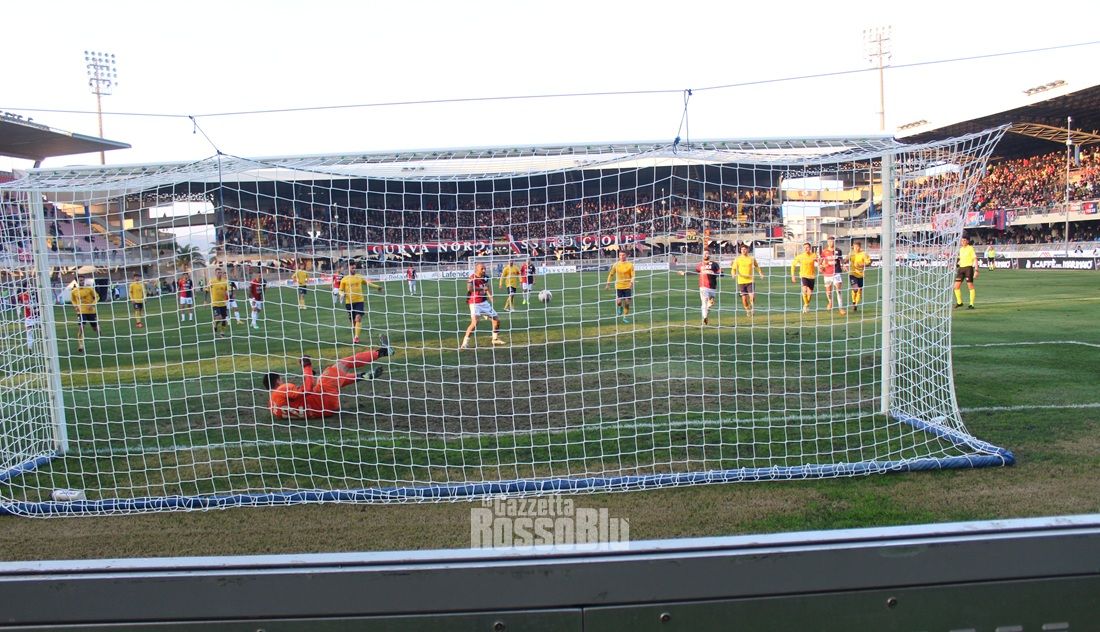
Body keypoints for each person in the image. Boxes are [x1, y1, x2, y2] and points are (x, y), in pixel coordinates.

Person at [264, 334, 393, 419]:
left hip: (325, 410)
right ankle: (383, 351)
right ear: (277, 381)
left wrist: (309, 376)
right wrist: (306, 365)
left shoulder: (272, 406)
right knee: (343, 364)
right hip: (324, 398)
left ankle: (363, 375)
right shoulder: (281, 389)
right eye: (281, 379)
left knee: (325, 379)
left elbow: (302, 395)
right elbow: (308, 389)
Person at [461, 262, 506, 349]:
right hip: (474, 303)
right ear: (477, 269)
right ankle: (465, 343)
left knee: (496, 319)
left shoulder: (485, 277)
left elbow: (487, 286)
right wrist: (482, 288)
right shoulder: (472, 278)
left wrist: (490, 296)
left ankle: (495, 339)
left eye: (485, 268)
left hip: (484, 302)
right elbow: (469, 288)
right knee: (475, 323)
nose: (484, 270)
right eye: (482, 269)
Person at [339, 262, 384, 344]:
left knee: (358, 318)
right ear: (348, 268)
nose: (354, 269)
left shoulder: (359, 277)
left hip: (359, 301)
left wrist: (377, 287)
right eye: (352, 268)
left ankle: (356, 337)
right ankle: (356, 332)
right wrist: (341, 294)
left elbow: (368, 283)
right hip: (349, 303)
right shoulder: (344, 279)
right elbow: (340, 290)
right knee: (353, 322)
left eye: (354, 268)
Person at [732, 244, 763, 317]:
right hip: (741, 281)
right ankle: (747, 310)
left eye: (745, 249)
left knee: (752, 296)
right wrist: (733, 274)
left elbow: (756, 266)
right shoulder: (737, 259)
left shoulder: (751, 258)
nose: (743, 251)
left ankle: (753, 308)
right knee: (744, 299)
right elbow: (733, 268)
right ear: (740, 250)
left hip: (750, 280)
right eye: (742, 249)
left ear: (747, 250)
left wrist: (760, 273)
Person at [605, 250, 636, 324]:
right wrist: (608, 284)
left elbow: (633, 275)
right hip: (619, 286)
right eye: (620, 255)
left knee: (627, 302)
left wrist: (631, 282)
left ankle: (625, 317)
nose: (621, 257)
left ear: (626, 256)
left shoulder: (630, 265)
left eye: (623, 255)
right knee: (619, 302)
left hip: (627, 286)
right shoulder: (616, 265)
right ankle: (619, 307)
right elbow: (611, 274)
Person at [70, 275, 99, 354]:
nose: (82, 282)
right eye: (80, 280)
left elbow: (97, 297)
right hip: (81, 312)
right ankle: (80, 345)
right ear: (77, 281)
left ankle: (98, 333)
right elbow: (73, 300)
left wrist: (92, 304)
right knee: (81, 328)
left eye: (83, 280)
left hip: (91, 312)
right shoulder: (74, 291)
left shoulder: (89, 289)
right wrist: (75, 306)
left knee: (95, 328)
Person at [694, 251, 721, 325]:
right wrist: (684, 273)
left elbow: (720, 272)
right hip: (703, 286)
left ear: (709, 255)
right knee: (704, 301)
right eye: (704, 254)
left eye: (707, 253)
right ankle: (705, 317)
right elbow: (694, 272)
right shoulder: (699, 265)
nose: (705, 255)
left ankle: (706, 311)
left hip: (712, 287)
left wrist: (714, 273)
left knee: (711, 303)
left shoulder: (714, 264)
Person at [790, 242, 818, 314]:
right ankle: (806, 305)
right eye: (804, 247)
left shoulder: (814, 255)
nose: (806, 249)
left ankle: (806, 305)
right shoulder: (800, 256)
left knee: (810, 293)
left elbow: (819, 262)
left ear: (810, 248)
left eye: (807, 247)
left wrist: (821, 264)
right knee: (804, 290)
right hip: (803, 276)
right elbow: (793, 265)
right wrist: (793, 276)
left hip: (811, 276)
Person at [820, 237, 846, 314]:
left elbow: (841, 260)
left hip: (836, 273)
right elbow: (820, 261)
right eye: (829, 241)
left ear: (834, 242)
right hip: (827, 273)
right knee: (828, 292)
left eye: (832, 241)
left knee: (839, 290)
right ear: (827, 242)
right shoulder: (824, 251)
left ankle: (841, 308)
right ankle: (830, 302)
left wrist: (844, 265)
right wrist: (820, 267)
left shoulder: (838, 251)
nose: (831, 243)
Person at [846, 241, 872, 312]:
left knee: (859, 290)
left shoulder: (864, 254)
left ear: (860, 247)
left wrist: (862, 265)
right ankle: (853, 302)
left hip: (860, 275)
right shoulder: (851, 253)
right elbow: (846, 260)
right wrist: (845, 262)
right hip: (852, 274)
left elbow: (869, 263)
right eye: (854, 247)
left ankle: (855, 305)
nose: (856, 248)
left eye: (857, 247)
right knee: (855, 289)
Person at [954, 236, 978, 309]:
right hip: (961, 269)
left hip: (968, 269)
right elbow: (961, 259)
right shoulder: (961, 249)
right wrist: (956, 265)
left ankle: (971, 304)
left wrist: (976, 270)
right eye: (962, 241)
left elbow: (975, 259)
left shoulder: (970, 248)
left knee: (970, 286)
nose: (963, 242)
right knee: (956, 287)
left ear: (967, 241)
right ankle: (959, 302)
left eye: (964, 240)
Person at [209, 268, 230, 337]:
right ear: (215, 273)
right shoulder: (212, 281)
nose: (220, 274)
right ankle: (215, 324)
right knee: (219, 317)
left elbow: (228, 290)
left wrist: (229, 294)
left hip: (223, 303)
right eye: (218, 272)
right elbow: (206, 290)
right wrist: (205, 300)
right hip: (215, 303)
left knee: (224, 319)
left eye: (220, 272)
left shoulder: (225, 281)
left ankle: (222, 332)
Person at [19, 282, 36, 350]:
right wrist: (19, 312)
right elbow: (20, 304)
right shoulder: (23, 296)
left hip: (38, 317)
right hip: (29, 317)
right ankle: (30, 347)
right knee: (29, 332)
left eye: (31, 285)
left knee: (45, 329)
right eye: (29, 286)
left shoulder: (36, 294)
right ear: (25, 287)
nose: (30, 287)